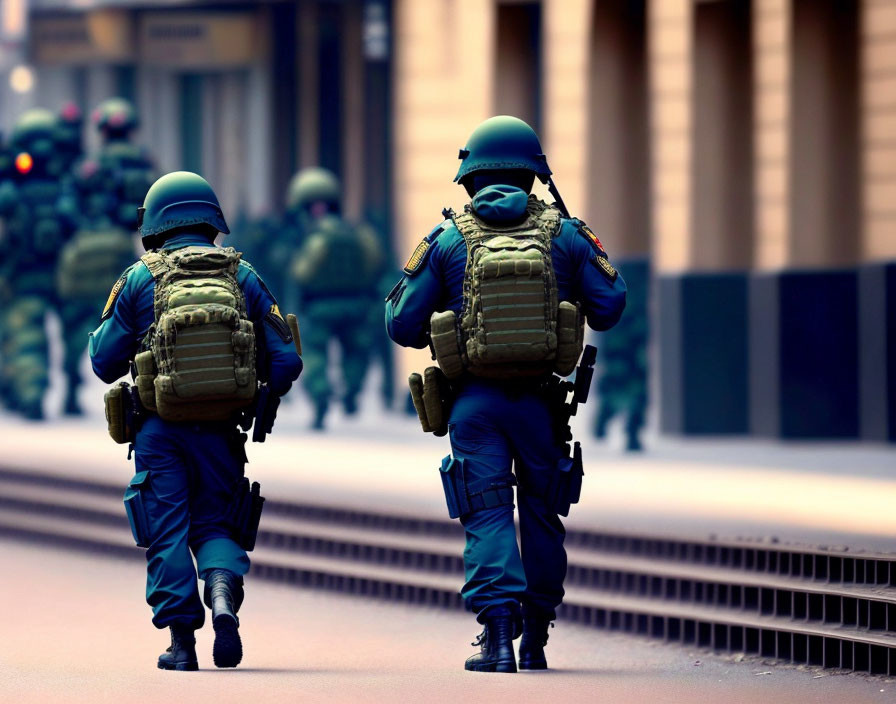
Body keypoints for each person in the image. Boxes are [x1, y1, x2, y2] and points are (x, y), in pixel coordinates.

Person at [386, 116, 626, 672]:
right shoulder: (566, 235)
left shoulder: (447, 240)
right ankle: (536, 637)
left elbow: (400, 324)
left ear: (469, 178)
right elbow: (611, 308)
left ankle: (496, 640)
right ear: (535, 174)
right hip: (543, 406)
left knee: (488, 512)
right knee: (542, 513)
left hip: (474, 404)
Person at [89, 171, 302, 671]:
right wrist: (252, 388)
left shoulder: (140, 278)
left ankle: (182, 644)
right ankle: (223, 594)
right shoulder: (243, 276)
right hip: (223, 431)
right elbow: (288, 361)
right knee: (217, 522)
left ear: (156, 222)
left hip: (159, 431)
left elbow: (102, 362)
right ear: (212, 219)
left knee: (166, 530)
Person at [287, 167, 384, 429]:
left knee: (316, 354)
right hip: (357, 304)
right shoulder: (360, 233)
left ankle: (320, 397)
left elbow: (302, 272)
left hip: (320, 306)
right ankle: (351, 391)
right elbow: (374, 264)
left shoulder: (316, 238)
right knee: (356, 353)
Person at [0, 108, 76, 419]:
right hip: (61, 276)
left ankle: (30, 395)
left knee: (26, 337)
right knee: (75, 336)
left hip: (23, 276)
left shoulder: (10, 191)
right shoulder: (64, 187)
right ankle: (70, 391)